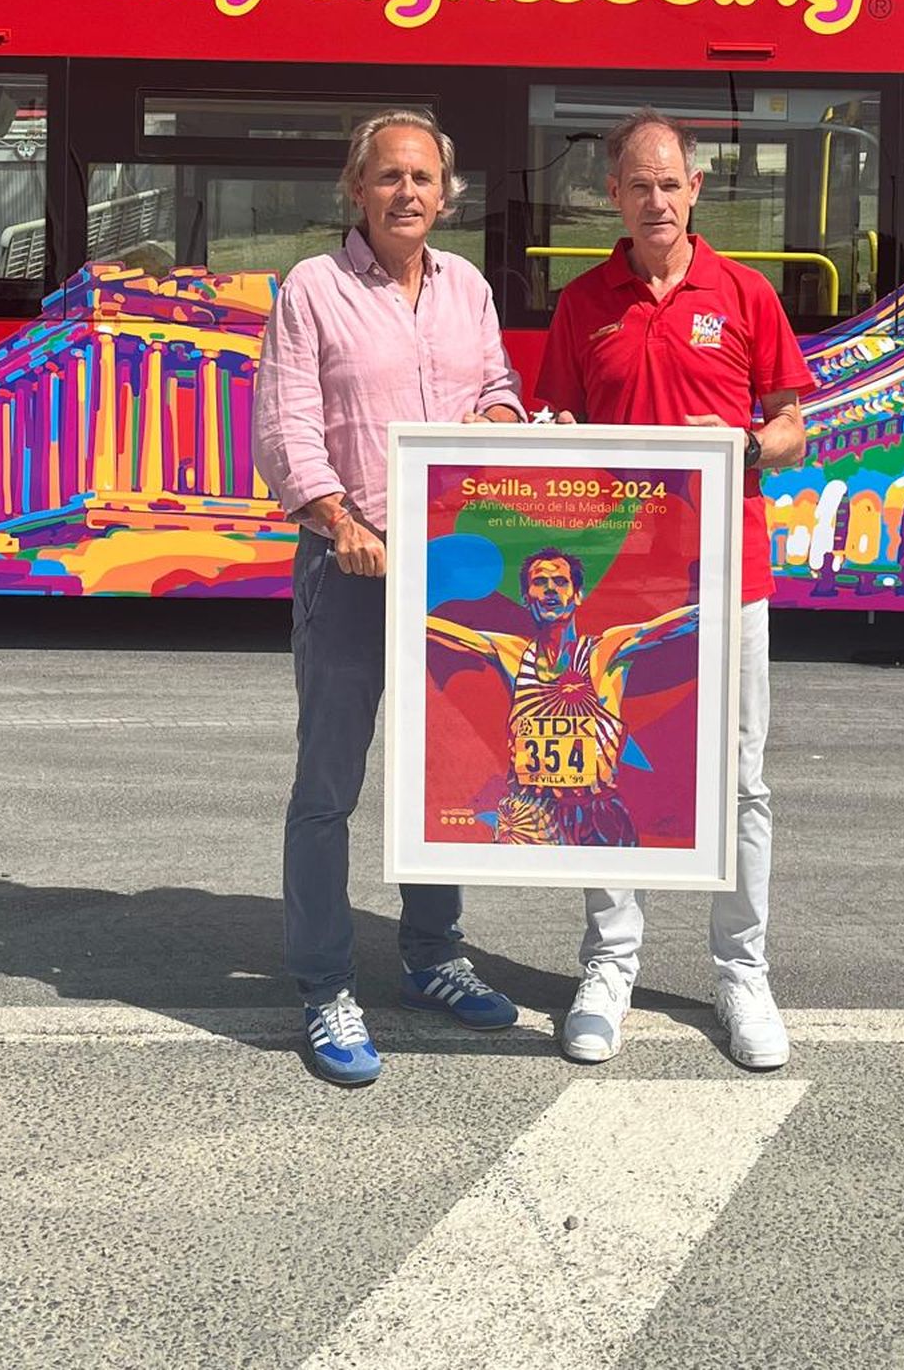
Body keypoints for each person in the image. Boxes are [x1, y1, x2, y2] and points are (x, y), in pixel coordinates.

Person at [254, 109, 526, 1085]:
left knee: (446, 779)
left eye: (422, 177)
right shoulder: (313, 292)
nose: (406, 192)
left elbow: (499, 389)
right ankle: (325, 986)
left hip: (452, 571)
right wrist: (341, 524)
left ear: (444, 195)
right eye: (388, 177)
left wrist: (500, 417)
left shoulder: (470, 291)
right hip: (352, 566)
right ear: (355, 191)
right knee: (327, 792)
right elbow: (287, 430)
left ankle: (432, 957)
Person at [534, 108, 806, 1071]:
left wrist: (749, 445)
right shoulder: (581, 303)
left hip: (729, 576)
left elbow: (790, 420)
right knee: (604, 772)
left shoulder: (744, 293)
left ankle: (742, 971)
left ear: (696, 190)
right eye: (637, 184)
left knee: (738, 779)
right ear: (613, 195)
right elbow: (555, 415)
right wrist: (554, 432)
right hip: (612, 585)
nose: (656, 199)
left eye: (671, 182)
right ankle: (609, 962)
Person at [426, 550, 697, 845]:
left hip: (598, 812)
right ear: (525, 597)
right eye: (540, 582)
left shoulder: (604, 653)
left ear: (577, 594)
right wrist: (395, 599)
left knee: (612, 891)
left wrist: (728, 596)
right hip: (529, 814)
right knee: (523, 889)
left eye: (560, 581)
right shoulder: (512, 653)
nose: (551, 589)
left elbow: (665, 628)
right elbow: (441, 632)